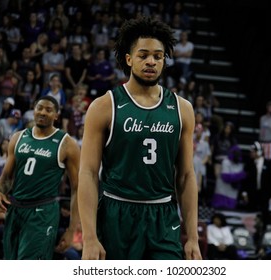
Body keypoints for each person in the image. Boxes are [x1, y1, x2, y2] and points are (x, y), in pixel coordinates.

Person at [77, 16, 202, 260]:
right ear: (128, 59)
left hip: (163, 215)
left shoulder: (182, 108)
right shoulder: (104, 106)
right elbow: (88, 173)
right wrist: (89, 238)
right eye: (143, 55)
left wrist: (193, 238)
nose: (151, 61)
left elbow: (186, 175)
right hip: (116, 213)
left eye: (158, 56)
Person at [0, 95, 81, 259]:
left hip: (42, 213)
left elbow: (77, 189)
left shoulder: (67, 143)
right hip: (15, 209)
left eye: (48, 110)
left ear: (56, 115)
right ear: (33, 111)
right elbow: (6, 176)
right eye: (39, 108)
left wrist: (71, 230)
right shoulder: (18, 137)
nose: (43, 112)